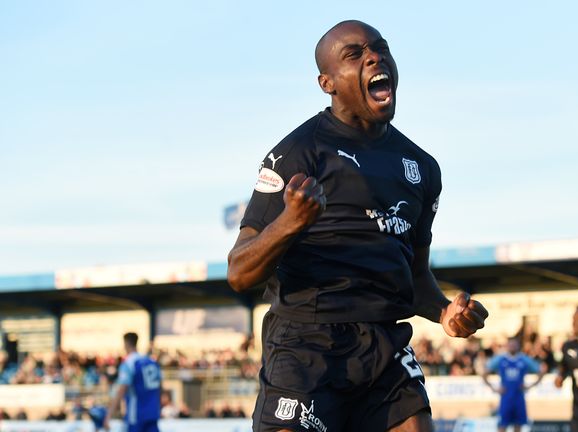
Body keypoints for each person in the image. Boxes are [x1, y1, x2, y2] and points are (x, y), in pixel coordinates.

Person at [227, 19, 488, 432]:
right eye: (355, 54)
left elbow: (415, 277)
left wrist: (444, 312)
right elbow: (240, 272)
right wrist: (290, 222)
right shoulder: (297, 153)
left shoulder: (421, 167)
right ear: (327, 82)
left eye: (380, 48)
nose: (374, 57)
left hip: (384, 343)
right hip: (306, 345)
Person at [482, 337, 545, 432]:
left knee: (518, 426)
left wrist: (530, 386)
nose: (512, 346)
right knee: (502, 426)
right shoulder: (500, 359)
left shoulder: (524, 359)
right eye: (510, 344)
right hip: (505, 398)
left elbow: (540, 371)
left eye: (514, 344)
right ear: (507, 346)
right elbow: (484, 373)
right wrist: (494, 388)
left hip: (519, 397)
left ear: (518, 346)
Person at [105, 332, 162, 432]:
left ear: (126, 343)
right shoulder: (151, 362)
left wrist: (108, 416)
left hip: (136, 415)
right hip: (153, 413)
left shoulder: (129, 364)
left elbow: (121, 391)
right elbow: (160, 386)